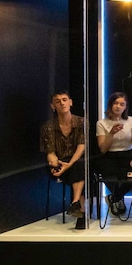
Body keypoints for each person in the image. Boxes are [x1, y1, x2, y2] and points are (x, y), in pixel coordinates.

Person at [40, 90, 87, 230]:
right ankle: (78, 209)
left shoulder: (81, 122)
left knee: (78, 166)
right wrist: (54, 162)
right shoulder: (47, 127)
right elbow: (50, 152)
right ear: (52, 106)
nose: (62, 103)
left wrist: (69, 165)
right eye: (57, 101)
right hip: (60, 164)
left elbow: (81, 148)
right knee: (78, 171)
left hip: (77, 161)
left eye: (64, 99)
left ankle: (76, 204)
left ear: (71, 102)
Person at [95, 92, 132, 216]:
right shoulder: (101, 123)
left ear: (125, 107)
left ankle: (115, 197)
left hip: (128, 154)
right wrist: (111, 133)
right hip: (109, 155)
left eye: (122, 104)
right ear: (110, 104)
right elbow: (103, 149)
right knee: (107, 172)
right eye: (115, 103)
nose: (118, 106)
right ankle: (118, 198)